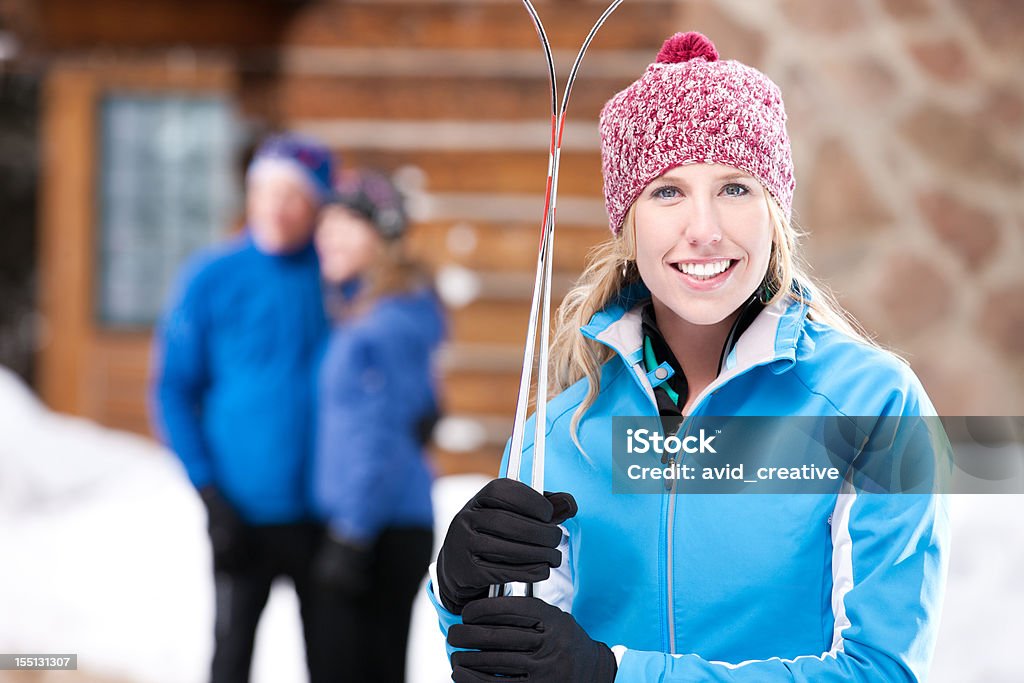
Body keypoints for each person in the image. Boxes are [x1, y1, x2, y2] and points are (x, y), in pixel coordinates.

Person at [425, 31, 951, 682]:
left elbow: (881, 671)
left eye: (734, 187)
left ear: (774, 211)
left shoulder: (874, 406)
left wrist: (617, 673)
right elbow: (509, 662)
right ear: (630, 221)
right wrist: (460, 594)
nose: (703, 227)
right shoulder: (559, 434)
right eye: (667, 191)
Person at [151, 133, 338, 683]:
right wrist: (209, 493)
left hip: (323, 518)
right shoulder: (211, 277)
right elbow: (173, 390)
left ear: (318, 207)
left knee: (333, 662)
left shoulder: (337, 278)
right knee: (230, 657)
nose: (277, 209)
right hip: (241, 516)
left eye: (294, 197)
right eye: (266, 192)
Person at [312, 169, 445, 682]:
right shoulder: (385, 310)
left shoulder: (382, 323)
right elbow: (418, 407)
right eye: (327, 222)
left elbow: (378, 440)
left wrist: (351, 533)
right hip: (385, 523)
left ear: (382, 237)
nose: (329, 234)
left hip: (375, 530)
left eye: (348, 223)